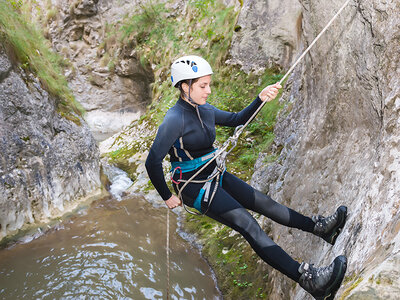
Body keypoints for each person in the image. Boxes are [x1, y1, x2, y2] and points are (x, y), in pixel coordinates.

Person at [145, 55, 348, 300]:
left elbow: (237, 119)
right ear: (185, 87)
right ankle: (310, 281)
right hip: (195, 187)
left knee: (264, 203)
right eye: (202, 86)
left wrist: (259, 100)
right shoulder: (173, 120)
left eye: (209, 84)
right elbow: (152, 161)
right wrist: (167, 196)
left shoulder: (205, 110)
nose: (208, 91)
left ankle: (320, 229)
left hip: (214, 174)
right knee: (248, 225)